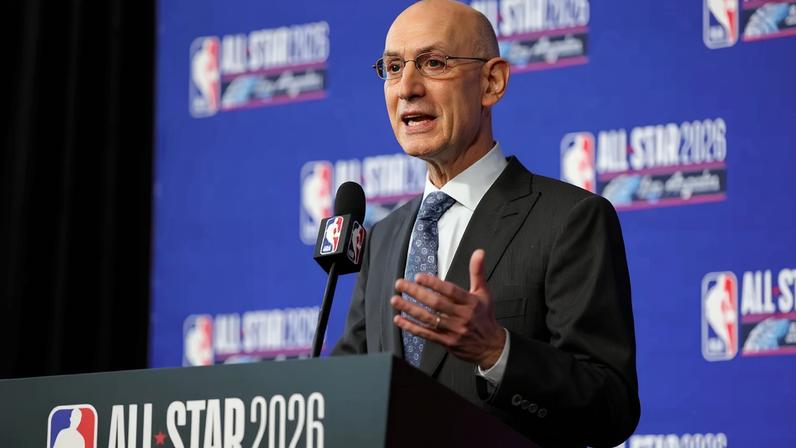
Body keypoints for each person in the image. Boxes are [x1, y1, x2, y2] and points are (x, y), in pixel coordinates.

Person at [332, 1, 640, 446]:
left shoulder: (570, 220)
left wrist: (497, 351)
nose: (407, 88)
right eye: (393, 67)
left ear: (492, 82)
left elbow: (611, 409)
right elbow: (348, 386)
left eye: (433, 63)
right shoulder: (383, 237)